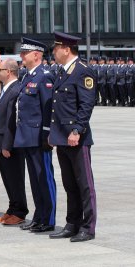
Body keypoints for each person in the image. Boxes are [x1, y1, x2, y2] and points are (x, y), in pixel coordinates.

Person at [49, 31, 97, 242]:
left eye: (55, 48)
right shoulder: (62, 72)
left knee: (85, 185)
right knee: (69, 184)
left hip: (76, 137)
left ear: (66, 50)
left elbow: (86, 105)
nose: (53, 52)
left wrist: (77, 130)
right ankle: (72, 223)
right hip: (61, 137)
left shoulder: (83, 71)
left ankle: (88, 227)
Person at [15, 37, 56, 233]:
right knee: (34, 179)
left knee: (44, 178)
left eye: (25, 53)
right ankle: (39, 216)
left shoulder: (44, 76)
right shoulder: (27, 76)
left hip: (39, 136)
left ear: (37, 55)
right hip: (27, 136)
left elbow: (48, 109)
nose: (21, 56)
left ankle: (48, 219)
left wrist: (47, 135)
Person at [0, 58, 28, 225]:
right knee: (8, 179)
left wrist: (6, 145)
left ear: (9, 72)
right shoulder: (6, 89)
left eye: (0, 69)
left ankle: (19, 212)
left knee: (15, 179)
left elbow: (12, 121)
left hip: (8, 144)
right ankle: (12, 209)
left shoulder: (15, 90)